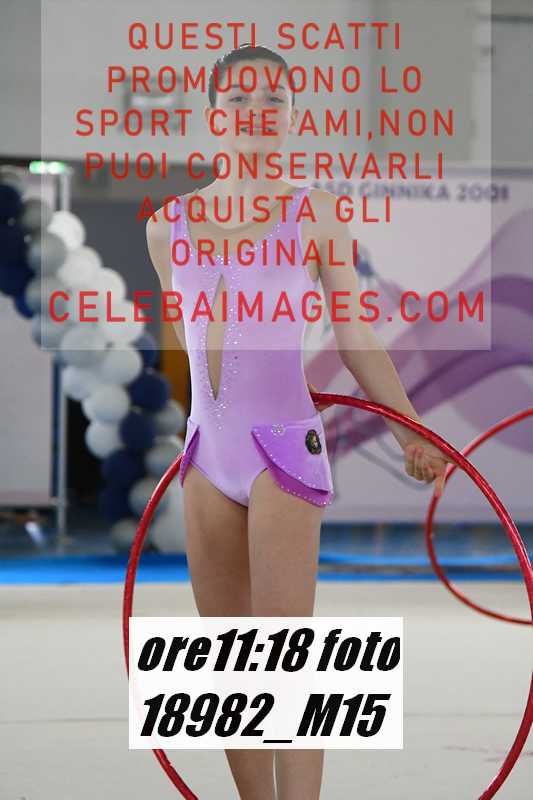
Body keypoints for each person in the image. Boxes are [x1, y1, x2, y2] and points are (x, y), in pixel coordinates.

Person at [146, 43, 450, 800]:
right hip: (205, 457)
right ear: (213, 115)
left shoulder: (314, 212)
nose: (256, 114)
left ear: (291, 116)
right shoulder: (166, 225)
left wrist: (410, 427)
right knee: (225, 668)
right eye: (239, 101)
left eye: (273, 102)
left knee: (286, 660)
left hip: (280, 449)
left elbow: (355, 334)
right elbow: (187, 338)